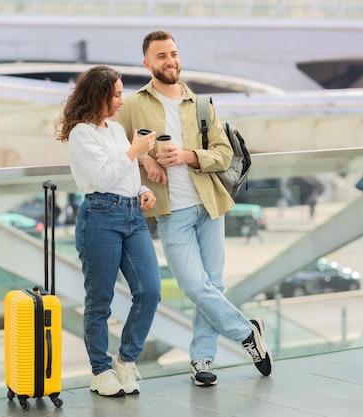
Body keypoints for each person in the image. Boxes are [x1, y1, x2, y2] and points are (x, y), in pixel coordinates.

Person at [116, 30, 273, 386]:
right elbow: (118, 148)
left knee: (212, 285)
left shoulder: (200, 104)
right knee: (194, 286)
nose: (169, 61)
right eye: (161, 56)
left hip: (210, 204)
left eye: (173, 53)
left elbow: (223, 154)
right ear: (147, 63)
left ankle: (202, 359)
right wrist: (145, 163)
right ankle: (248, 333)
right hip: (172, 213)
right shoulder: (134, 105)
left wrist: (188, 156)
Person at [54, 65, 162, 397]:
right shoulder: (82, 134)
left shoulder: (115, 130)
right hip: (100, 216)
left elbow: (123, 171)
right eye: (115, 94)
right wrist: (135, 151)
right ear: (99, 95)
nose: (121, 100)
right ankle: (100, 371)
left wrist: (141, 187)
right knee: (100, 300)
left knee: (150, 291)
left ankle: (126, 360)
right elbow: (101, 178)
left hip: (131, 213)